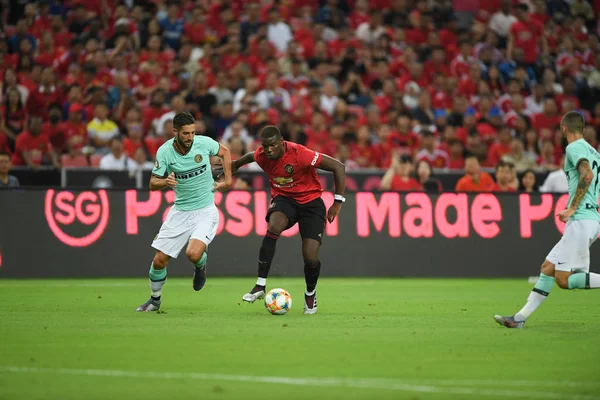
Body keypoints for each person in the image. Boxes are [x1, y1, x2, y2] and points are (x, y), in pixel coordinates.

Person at [495, 112, 600, 328]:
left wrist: (572, 207)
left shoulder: (574, 147)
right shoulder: (594, 152)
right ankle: (519, 318)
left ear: (564, 128)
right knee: (548, 267)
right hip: (588, 218)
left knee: (564, 279)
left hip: (581, 219)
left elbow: (587, 175)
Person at [231, 125, 346, 315]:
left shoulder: (300, 154)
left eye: (273, 146)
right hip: (285, 200)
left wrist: (338, 202)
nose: (269, 150)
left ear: (282, 142)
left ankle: (310, 293)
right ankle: (260, 286)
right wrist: (235, 165)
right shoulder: (262, 155)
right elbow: (251, 155)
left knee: (310, 256)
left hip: (311, 203)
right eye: (265, 146)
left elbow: (338, 167)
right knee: (274, 226)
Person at [136, 112, 232, 312]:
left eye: (193, 133)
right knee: (159, 260)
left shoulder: (203, 143)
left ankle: (200, 266)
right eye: (186, 133)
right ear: (175, 132)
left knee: (193, 253)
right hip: (180, 211)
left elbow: (225, 152)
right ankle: (154, 300)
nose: (190, 137)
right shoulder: (164, 152)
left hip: (205, 210)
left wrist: (228, 180)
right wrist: (165, 182)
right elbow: (153, 183)